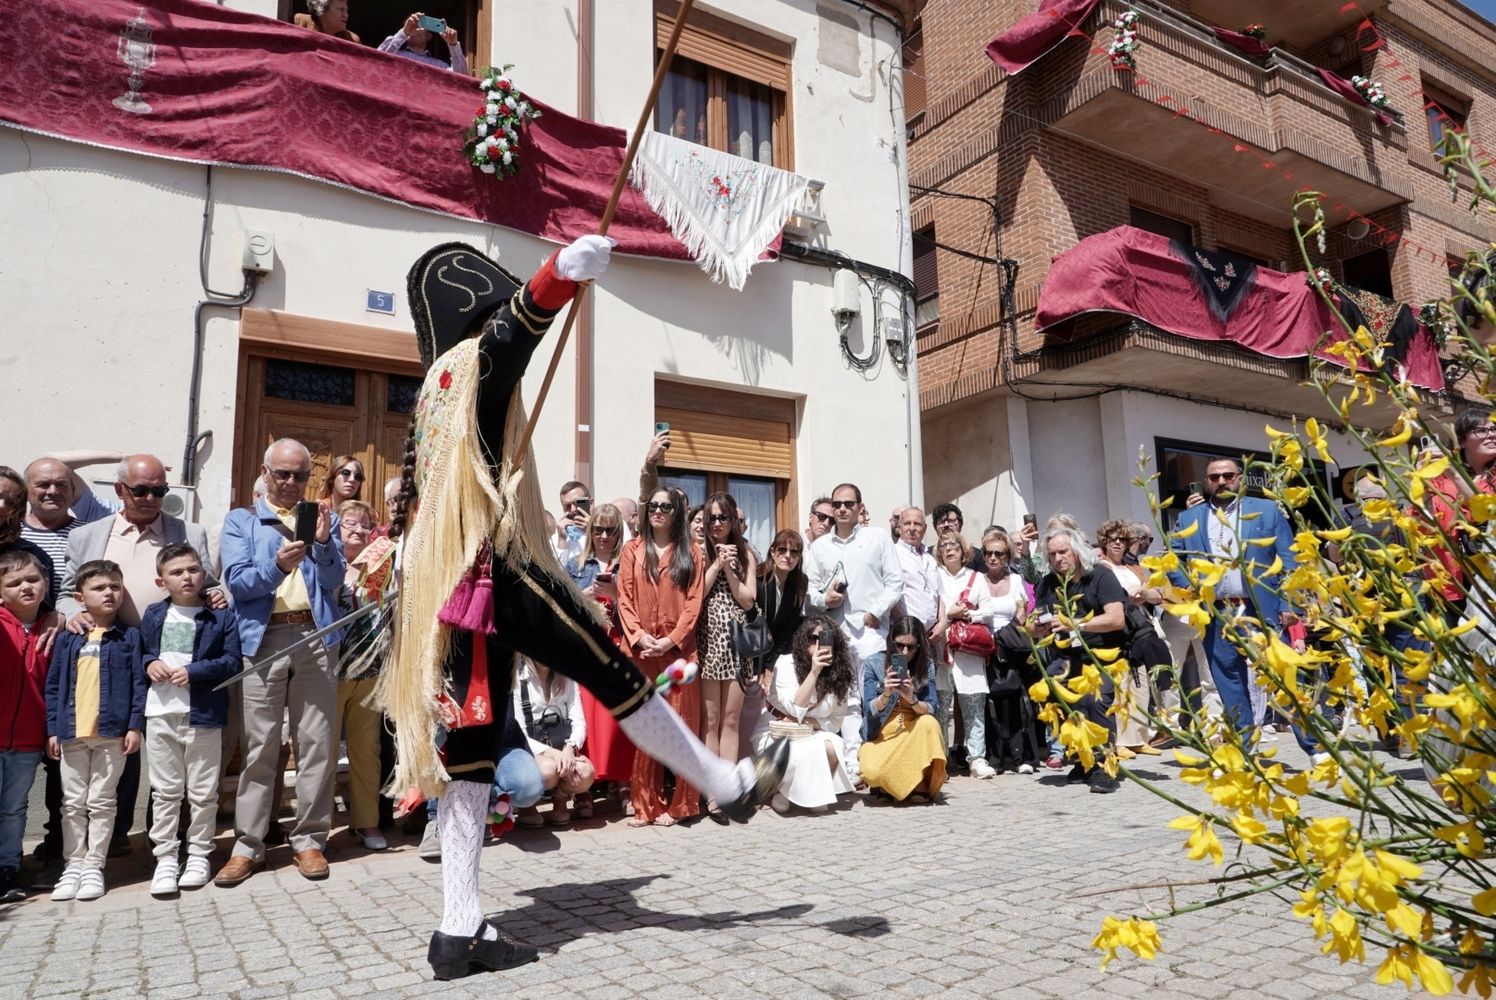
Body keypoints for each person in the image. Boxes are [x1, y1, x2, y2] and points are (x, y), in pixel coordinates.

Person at [382, 237, 784, 979]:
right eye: (490, 308)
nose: (497, 317)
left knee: (472, 749)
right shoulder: (470, 365)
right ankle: (723, 784)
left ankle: (457, 929)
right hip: (491, 569)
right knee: (610, 668)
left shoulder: (430, 390)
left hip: (449, 586)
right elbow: (508, 343)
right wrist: (556, 277)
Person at [55, 454, 223, 859]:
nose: (151, 498)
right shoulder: (89, 535)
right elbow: (64, 592)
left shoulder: (189, 531)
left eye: (160, 490)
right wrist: (70, 613)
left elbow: (210, 584)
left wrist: (220, 594)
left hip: (175, 659)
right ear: (119, 490)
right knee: (120, 745)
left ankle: (163, 840)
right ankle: (109, 840)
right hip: (113, 654)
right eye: (141, 489)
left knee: (174, 750)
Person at [215, 438, 346, 888]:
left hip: (315, 635)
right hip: (265, 637)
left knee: (317, 745)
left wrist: (325, 546)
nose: (291, 483)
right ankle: (247, 846)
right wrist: (276, 566)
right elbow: (237, 583)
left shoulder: (320, 517)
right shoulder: (242, 520)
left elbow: (333, 581)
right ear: (265, 473)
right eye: (282, 474)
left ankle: (309, 839)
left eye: (300, 475)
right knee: (259, 747)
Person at [1169, 457, 1306, 755]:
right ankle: (1247, 747)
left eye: (1228, 476)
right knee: (1229, 681)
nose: (1222, 482)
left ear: (1240, 478)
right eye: (1214, 477)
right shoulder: (1190, 518)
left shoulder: (1266, 511)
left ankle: (1314, 748)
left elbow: (1290, 559)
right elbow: (1174, 558)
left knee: (1283, 680)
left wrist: (1289, 603)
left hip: (1262, 609)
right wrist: (1191, 588)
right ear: (1206, 483)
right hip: (1218, 612)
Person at [138, 543, 240, 896]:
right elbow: (143, 653)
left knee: (202, 791)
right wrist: (149, 662)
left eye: (193, 570)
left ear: (204, 573)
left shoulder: (221, 617)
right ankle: (166, 857)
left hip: (203, 714)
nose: (187, 577)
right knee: (165, 791)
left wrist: (194, 671)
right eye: (177, 572)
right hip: (161, 713)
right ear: (161, 580)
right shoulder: (153, 614)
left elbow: (232, 662)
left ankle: (199, 853)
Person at [45, 560, 145, 901]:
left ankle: (93, 866)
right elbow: (54, 685)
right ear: (79, 596)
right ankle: (72, 864)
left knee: (102, 802)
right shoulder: (68, 638)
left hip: (112, 733)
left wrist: (134, 726)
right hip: (72, 732)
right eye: (99, 588)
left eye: (115, 587)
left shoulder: (130, 637)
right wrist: (53, 729)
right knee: (72, 802)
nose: (109, 593)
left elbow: (137, 685)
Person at [617, 487, 706, 827]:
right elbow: (624, 597)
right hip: (641, 651)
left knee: (682, 729)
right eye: (652, 505)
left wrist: (670, 640)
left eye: (665, 506)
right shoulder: (632, 550)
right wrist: (639, 636)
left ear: (676, 512)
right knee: (646, 728)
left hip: (678, 654)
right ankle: (644, 806)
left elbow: (694, 602)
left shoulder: (692, 551)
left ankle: (682, 804)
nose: (658, 511)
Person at [803, 482, 903, 769]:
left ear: (860, 507)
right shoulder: (819, 547)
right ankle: (853, 763)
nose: (842, 509)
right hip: (835, 633)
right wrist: (825, 598)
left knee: (879, 694)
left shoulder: (878, 538)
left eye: (848, 504)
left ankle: (883, 759)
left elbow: (895, 581)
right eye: (837, 505)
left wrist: (876, 611)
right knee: (845, 699)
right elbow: (808, 592)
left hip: (870, 631)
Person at [1029, 526, 1127, 794]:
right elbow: (1039, 620)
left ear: (1076, 551)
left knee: (1096, 704)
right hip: (1066, 657)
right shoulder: (1048, 584)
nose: (1058, 558)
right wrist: (1036, 628)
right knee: (1052, 695)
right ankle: (1083, 759)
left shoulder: (1101, 577)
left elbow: (1116, 619)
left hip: (1100, 656)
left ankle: (1106, 765)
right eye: (1052, 554)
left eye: (1063, 552)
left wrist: (1076, 623)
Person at [334, 500, 393, 851]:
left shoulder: (380, 565)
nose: (357, 529)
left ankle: (367, 822)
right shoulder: (324, 564)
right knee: (322, 751)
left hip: (371, 669)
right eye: (349, 523)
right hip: (332, 671)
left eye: (364, 524)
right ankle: (313, 828)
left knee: (366, 750)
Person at [752, 616, 856, 812]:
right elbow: (795, 708)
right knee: (795, 751)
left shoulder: (840, 674)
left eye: (824, 639)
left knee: (833, 745)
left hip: (812, 732)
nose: (817, 644)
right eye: (812, 638)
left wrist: (812, 723)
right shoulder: (786, 664)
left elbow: (835, 723)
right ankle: (781, 791)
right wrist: (814, 672)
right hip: (778, 730)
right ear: (802, 639)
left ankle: (811, 793)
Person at [567, 502, 632, 810]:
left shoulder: (629, 563)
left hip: (619, 643)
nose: (605, 536)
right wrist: (588, 595)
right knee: (588, 716)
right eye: (599, 529)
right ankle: (584, 786)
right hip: (588, 646)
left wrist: (617, 594)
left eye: (611, 530)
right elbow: (562, 603)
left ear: (620, 532)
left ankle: (622, 780)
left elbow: (639, 607)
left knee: (620, 715)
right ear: (590, 531)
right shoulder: (576, 563)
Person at [696, 492, 757, 819]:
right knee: (711, 720)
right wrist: (717, 563)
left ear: (733, 520)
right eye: (712, 518)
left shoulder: (746, 553)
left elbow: (748, 601)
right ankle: (711, 793)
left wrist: (732, 570)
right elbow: (695, 596)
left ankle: (728, 788)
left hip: (735, 644)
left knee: (731, 720)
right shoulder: (698, 551)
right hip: (707, 642)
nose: (717, 524)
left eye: (723, 518)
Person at [0, 550, 50, 903]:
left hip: (29, 740)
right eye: (14, 583)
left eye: (32, 579)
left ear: (46, 584)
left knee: (14, 807)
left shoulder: (54, 630)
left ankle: (8, 867)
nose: (25, 588)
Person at [858, 617, 946, 802]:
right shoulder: (873, 663)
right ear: (891, 641)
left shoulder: (926, 665)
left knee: (929, 723)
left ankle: (907, 784)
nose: (905, 652)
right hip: (881, 737)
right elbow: (868, 709)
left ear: (919, 646)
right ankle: (900, 783)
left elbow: (933, 709)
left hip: (912, 734)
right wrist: (886, 694)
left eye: (911, 647)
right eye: (899, 646)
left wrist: (911, 698)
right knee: (871, 772)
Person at [1096, 520, 1163, 760]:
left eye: (1122, 539)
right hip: (1118, 632)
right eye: (1112, 539)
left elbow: (1157, 595)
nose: (1117, 543)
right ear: (1104, 542)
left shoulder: (1132, 567)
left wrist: (1144, 594)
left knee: (1141, 684)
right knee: (1121, 686)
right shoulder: (1101, 568)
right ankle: (1122, 740)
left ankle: (1139, 738)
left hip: (1141, 629)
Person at [936, 531, 998, 778]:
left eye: (954, 545)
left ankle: (977, 758)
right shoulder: (935, 576)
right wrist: (948, 614)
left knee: (973, 705)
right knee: (940, 707)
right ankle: (939, 758)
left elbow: (989, 610)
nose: (949, 549)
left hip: (968, 651)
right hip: (941, 649)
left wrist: (968, 615)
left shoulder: (976, 577)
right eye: (943, 545)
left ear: (963, 551)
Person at [512, 657, 594, 827]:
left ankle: (561, 796)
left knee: (586, 773)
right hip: (533, 752)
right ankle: (527, 805)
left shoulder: (567, 676)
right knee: (547, 771)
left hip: (562, 745)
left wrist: (570, 748)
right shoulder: (518, 678)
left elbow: (579, 722)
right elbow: (519, 733)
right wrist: (558, 755)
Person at [975, 528, 1028, 772]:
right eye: (988, 553)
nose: (993, 558)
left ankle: (1019, 756)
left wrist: (1007, 636)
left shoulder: (1016, 580)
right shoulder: (976, 580)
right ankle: (994, 757)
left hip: (1009, 646)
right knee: (989, 704)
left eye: (999, 553)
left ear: (1007, 555)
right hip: (984, 648)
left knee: (1013, 700)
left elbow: (1022, 612)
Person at [893, 507, 945, 643]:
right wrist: (906, 628)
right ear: (899, 527)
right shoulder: (892, 555)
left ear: (925, 528)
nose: (912, 528)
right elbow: (890, 597)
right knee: (900, 666)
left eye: (917, 524)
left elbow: (939, 594)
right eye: (907, 523)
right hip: (904, 639)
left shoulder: (930, 559)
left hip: (931, 638)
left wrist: (942, 622)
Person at [756, 529, 807, 663]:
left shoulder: (800, 582)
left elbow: (787, 627)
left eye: (794, 552)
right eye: (782, 550)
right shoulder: (758, 578)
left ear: (799, 557)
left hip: (777, 653)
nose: (788, 556)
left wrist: (770, 664)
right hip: (751, 649)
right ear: (773, 552)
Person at [379, 12, 468, 73]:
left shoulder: (439, 65)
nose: (416, 28)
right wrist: (404, 33)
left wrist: (453, 45)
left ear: (429, 36)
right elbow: (377, 58)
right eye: (412, 24)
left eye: (421, 24)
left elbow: (460, 77)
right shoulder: (395, 55)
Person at [294, 0, 360, 42]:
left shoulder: (352, 40)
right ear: (322, 9)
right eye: (341, 9)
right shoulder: (298, 22)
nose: (346, 15)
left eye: (346, 10)